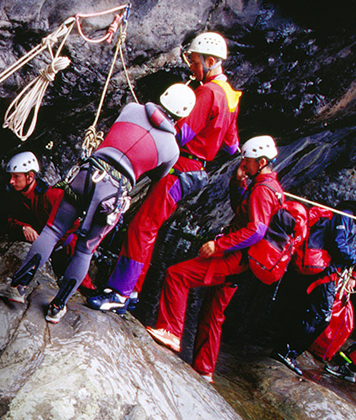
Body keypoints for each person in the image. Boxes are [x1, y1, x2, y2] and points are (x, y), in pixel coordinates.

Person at [0, 84, 195, 323]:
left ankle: (17, 289)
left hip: (88, 174)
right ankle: (57, 307)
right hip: (112, 196)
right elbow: (157, 175)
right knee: (84, 249)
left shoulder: (132, 109)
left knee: (52, 230)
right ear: (183, 115)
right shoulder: (172, 149)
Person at [90, 32, 242, 314]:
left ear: (210, 61)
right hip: (195, 169)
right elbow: (232, 148)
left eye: (195, 62)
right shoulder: (231, 97)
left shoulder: (208, 93)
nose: (192, 68)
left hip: (181, 167)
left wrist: (155, 115)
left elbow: (180, 134)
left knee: (142, 226)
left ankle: (119, 293)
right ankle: (133, 289)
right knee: (150, 226)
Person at [145, 135, 281, 383]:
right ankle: (205, 369)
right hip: (244, 263)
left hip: (233, 257)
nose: (244, 163)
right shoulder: (268, 187)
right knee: (213, 312)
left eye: (248, 161)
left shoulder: (263, 190)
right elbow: (243, 210)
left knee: (178, 275)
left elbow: (256, 229)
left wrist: (218, 246)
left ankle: (171, 332)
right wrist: (237, 183)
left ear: (261, 162)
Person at [271, 182, 356, 375]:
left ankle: (287, 351)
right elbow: (339, 246)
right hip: (325, 274)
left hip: (330, 275)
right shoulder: (345, 215)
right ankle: (286, 352)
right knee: (320, 316)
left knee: (316, 315)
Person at [4, 151, 93, 290]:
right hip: (50, 248)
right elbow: (10, 219)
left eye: (16, 177)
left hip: (67, 246)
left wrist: (50, 242)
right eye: (11, 177)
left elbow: (74, 223)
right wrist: (24, 227)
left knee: (82, 285)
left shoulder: (52, 196)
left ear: (30, 177)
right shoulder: (18, 198)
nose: (11, 181)